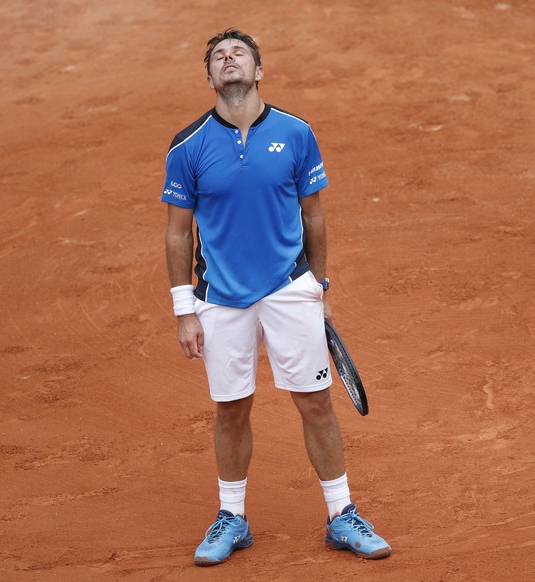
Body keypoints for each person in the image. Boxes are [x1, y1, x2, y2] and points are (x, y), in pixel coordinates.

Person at [161, 27, 391, 566]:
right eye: (218, 57)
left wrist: (320, 285)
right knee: (232, 409)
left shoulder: (296, 132)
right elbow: (177, 233)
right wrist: (183, 311)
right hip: (219, 297)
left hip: (290, 288)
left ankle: (342, 515)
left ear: (259, 71)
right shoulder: (187, 146)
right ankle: (232, 518)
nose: (228, 59)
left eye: (239, 53)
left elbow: (314, 213)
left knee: (315, 403)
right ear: (211, 78)